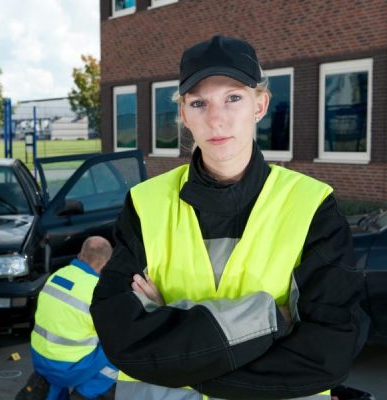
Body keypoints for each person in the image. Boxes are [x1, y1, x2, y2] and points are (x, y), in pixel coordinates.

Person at [90, 35, 369, 400]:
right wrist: (272, 321)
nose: (216, 118)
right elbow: (122, 336)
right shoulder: (145, 203)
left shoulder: (313, 205)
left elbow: (328, 352)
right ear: (184, 115)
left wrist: (173, 345)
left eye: (233, 98)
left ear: (260, 104)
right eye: (199, 102)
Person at [25, 236, 118, 400]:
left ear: (81, 254)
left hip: (39, 361)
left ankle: (52, 394)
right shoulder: (97, 290)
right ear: (105, 264)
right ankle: (84, 395)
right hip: (67, 369)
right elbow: (115, 334)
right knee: (119, 351)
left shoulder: (56, 275)